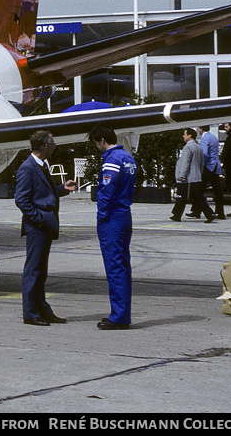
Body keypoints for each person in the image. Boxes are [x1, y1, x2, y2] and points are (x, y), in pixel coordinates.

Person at [15, 130, 75, 326]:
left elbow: (44, 192)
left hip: (45, 224)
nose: (54, 148)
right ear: (44, 147)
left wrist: (62, 189)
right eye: (52, 145)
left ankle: (42, 309)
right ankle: (30, 313)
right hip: (38, 227)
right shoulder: (27, 168)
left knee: (41, 271)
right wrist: (38, 219)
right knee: (33, 270)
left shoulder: (41, 165)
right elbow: (21, 200)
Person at [89, 124, 136, 331]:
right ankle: (122, 312)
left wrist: (101, 216)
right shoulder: (128, 157)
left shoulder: (112, 160)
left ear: (101, 140)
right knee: (123, 266)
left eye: (96, 143)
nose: (97, 147)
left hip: (112, 218)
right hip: (125, 214)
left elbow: (106, 190)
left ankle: (119, 317)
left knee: (114, 267)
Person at [171, 128, 214, 223]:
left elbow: (186, 162)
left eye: (185, 134)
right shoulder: (198, 147)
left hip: (188, 178)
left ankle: (209, 214)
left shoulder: (188, 147)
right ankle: (176, 215)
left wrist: (182, 175)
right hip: (196, 176)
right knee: (196, 196)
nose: (183, 136)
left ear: (190, 135)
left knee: (183, 196)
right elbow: (202, 162)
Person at [192, 126, 226, 221]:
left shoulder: (204, 138)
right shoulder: (214, 137)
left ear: (200, 129)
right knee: (217, 189)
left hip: (208, 166)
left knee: (199, 188)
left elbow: (204, 153)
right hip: (216, 165)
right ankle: (220, 212)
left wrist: (201, 164)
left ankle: (198, 211)